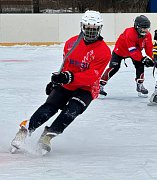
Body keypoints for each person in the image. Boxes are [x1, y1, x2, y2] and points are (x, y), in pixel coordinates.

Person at [10, 10, 111, 154]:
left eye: (94, 30)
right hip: (68, 83)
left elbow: (92, 76)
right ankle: (25, 131)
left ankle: (48, 136)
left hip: (87, 88)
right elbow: (65, 65)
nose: (91, 33)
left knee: (71, 111)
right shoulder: (71, 43)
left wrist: (69, 77)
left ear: (100, 29)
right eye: (88, 29)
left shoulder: (104, 51)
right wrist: (56, 82)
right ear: (83, 27)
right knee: (50, 106)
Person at [99, 15, 154, 97]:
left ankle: (140, 85)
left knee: (140, 65)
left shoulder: (147, 35)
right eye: (143, 28)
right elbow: (132, 50)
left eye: (147, 28)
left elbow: (149, 49)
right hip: (120, 51)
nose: (145, 30)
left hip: (135, 51)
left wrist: (155, 59)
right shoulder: (129, 33)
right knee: (114, 68)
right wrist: (143, 59)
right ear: (137, 27)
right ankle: (100, 85)